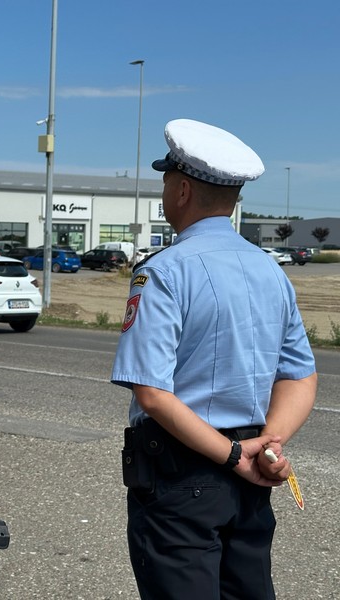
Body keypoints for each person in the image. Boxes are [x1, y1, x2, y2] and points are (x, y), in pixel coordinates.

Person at [111, 118, 317, 600]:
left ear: (181, 189)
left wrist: (230, 456)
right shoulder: (270, 271)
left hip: (184, 473)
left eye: (166, 180)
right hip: (252, 473)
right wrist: (269, 445)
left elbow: (153, 393)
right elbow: (300, 376)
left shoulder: (163, 272)